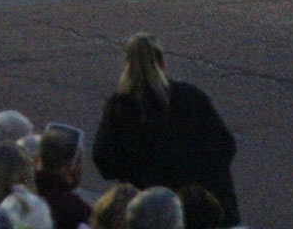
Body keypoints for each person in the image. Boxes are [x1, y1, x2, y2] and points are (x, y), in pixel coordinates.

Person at [92, 33, 239, 226]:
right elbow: (226, 146)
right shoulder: (191, 97)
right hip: (202, 211)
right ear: (162, 63)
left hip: (152, 213)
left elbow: (105, 160)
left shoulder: (121, 106)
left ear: (128, 66)